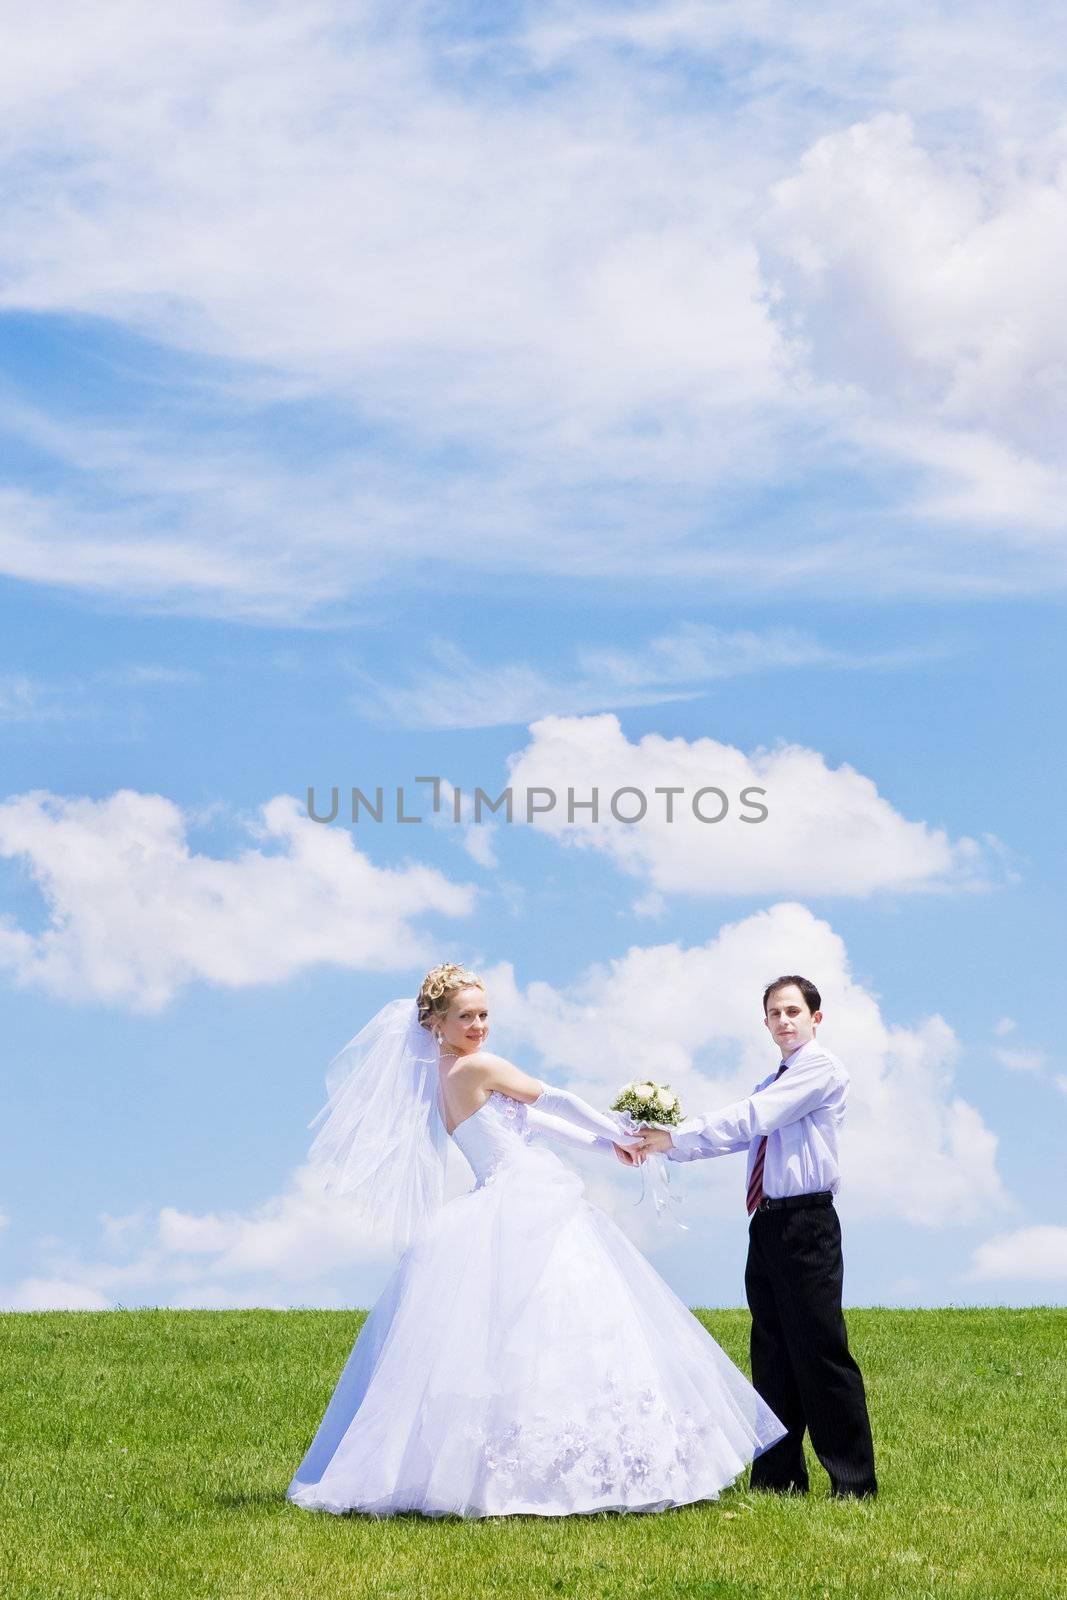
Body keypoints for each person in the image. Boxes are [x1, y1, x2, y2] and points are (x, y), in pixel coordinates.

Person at [286, 963, 785, 1518]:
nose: (478, 1025)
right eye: (465, 1016)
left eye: (483, 1015)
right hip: (525, 1199)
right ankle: (572, 1471)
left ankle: (504, 1474)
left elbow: (531, 1126)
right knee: (567, 1321)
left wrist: (607, 1147)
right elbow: (553, 1101)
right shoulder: (479, 1066)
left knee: (511, 1335)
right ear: (435, 1023)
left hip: (500, 1196)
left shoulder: (444, 1077)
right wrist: (618, 1127)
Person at [633, 975, 876, 1499]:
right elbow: (740, 1134)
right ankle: (778, 1478)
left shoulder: (818, 1070)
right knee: (771, 1352)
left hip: (806, 1221)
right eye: (774, 1013)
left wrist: (675, 1134)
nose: (784, 1021)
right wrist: (663, 1147)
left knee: (820, 1349)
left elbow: (751, 1119)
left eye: (793, 1011)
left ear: (816, 1018)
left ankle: (854, 1483)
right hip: (766, 1221)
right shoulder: (771, 1081)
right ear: (765, 1023)